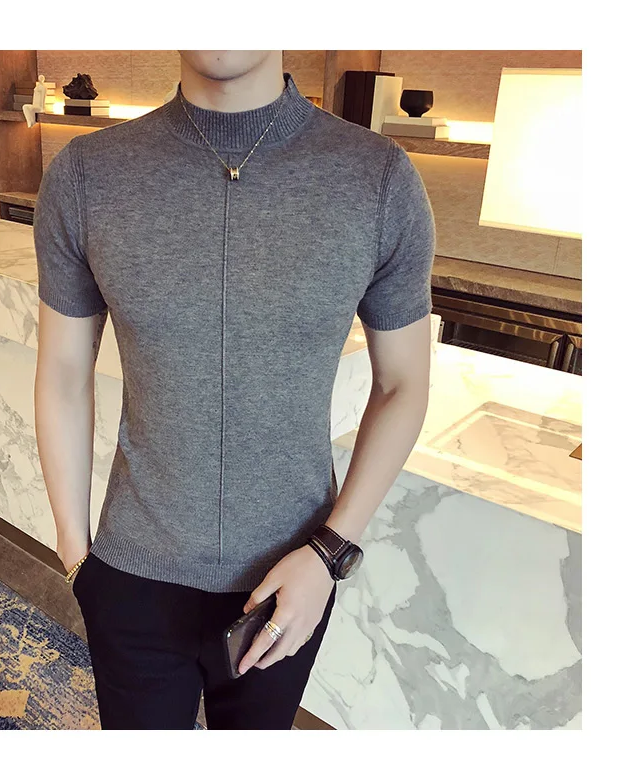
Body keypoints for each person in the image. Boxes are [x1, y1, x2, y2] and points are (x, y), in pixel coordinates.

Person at [33, 50, 435, 730]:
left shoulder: (377, 178)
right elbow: (64, 374)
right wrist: (78, 560)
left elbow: (404, 384)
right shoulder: (87, 175)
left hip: (290, 575)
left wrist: (329, 553)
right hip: (132, 572)